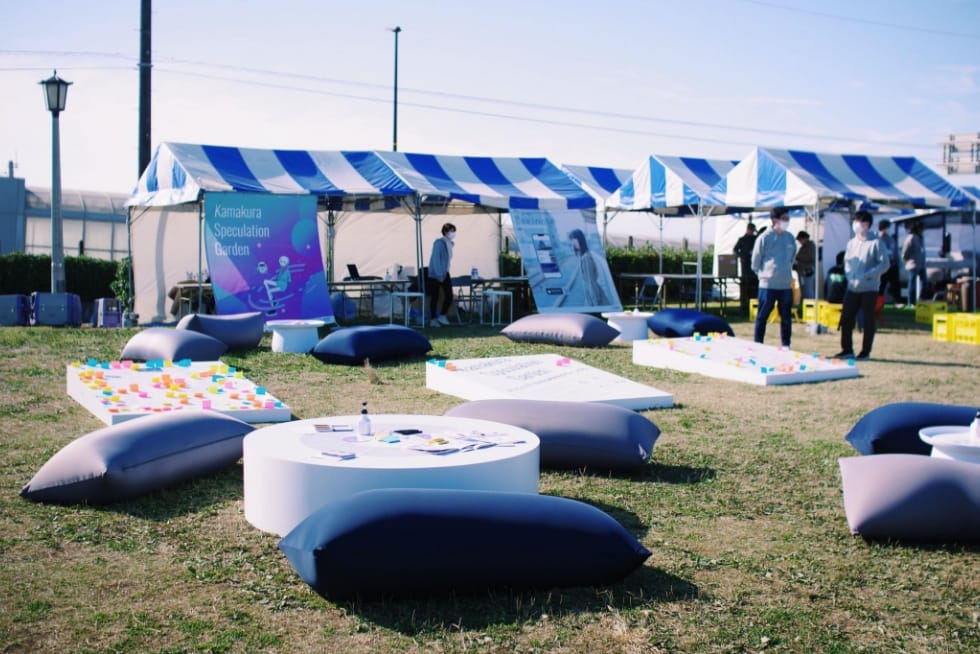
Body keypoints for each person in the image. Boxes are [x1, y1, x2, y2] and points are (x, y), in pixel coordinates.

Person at [834, 210, 890, 361]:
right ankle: (846, 349)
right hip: (852, 287)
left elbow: (884, 264)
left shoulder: (876, 242)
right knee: (846, 318)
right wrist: (849, 275)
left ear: (867, 225)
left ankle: (865, 351)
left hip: (869, 288)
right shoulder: (852, 242)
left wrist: (868, 274)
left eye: (860, 222)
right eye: (855, 222)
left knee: (867, 320)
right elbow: (847, 261)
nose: (857, 225)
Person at [751, 207, 797, 347]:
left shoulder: (790, 237)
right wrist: (764, 276)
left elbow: (792, 258)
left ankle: (786, 345)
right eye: (784, 218)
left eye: (788, 218)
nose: (787, 221)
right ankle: (758, 344)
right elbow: (755, 262)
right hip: (768, 285)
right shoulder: (764, 238)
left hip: (785, 285)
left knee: (786, 318)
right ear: (774, 220)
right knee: (762, 316)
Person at [566, 228, 611, 306]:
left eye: (574, 240)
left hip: (592, 298)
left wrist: (595, 303)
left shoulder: (586, 258)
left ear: (580, 240)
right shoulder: (585, 256)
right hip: (590, 297)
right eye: (572, 241)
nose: (573, 244)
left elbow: (591, 282)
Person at [426, 222, 456, 327]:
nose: (453, 233)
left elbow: (446, 261)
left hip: (445, 273)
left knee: (449, 295)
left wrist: (444, 273)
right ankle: (433, 319)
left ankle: (442, 315)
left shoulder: (450, 244)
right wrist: (439, 274)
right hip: (435, 274)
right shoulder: (439, 243)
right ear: (446, 232)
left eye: (454, 231)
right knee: (435, 296)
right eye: (451, 231)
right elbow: (436, 259)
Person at [733, 222, 758, 314]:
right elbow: (735, 249)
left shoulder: (756, 239)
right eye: (750, 230)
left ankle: (754, 305)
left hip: (754, 267)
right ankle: (744, 306)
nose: (752, 232)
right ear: (747, 229)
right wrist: (741, 256)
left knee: (754, 288)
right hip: (745, 267)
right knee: (745, 287)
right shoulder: (742, 239)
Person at [901, 220, 927, 306]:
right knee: (912, 284)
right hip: (913, 264)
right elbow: (905, 251)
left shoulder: (921, 237)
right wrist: (906, 259)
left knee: (924, 283)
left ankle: (922, 300)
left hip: (921, 264)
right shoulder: (911, 237)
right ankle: (911, 302)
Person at [876, 218, 900, 304]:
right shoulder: (876, 239)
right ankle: (878, 303)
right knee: (881, 286)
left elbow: (895, 252)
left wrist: (896, 262)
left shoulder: (891, 239)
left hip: (891, 265)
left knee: (895, 285)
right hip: (881, 266)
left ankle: (897, 301)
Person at [793, 230, 816, 300]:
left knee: (808, 291)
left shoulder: (811, 246)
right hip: (802, 272)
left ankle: (810, 305)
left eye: (800, 240)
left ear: (804, 238)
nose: (799, 242)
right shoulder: (804, 247)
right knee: (804, 290)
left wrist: (798, 258)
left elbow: (811, 258)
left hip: (807, 272)